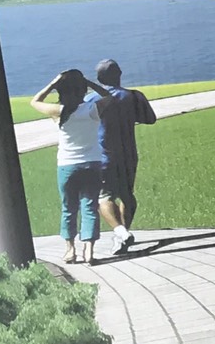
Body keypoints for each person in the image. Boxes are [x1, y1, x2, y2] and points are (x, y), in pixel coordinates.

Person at [32, 68, 107, 265]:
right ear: (83, 90)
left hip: (67, 165)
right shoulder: (92, 109)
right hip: (92, 163)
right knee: (90, 207)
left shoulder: (59, 112)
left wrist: (53, 84)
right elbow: (109, 97)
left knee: (68, 209)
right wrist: (89, 83)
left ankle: (70, 250)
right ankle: (89, 250)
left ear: (61, 91)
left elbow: (35, 101)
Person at [91, 59, 159, 254]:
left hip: (103, 156)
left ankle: (120, 232)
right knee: (127, 195)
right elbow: (150, 119)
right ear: (119, 74)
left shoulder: (91, 99)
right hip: (128, 155)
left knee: (103, 197)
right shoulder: (134, 96)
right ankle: (122, 235)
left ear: (98, 78)